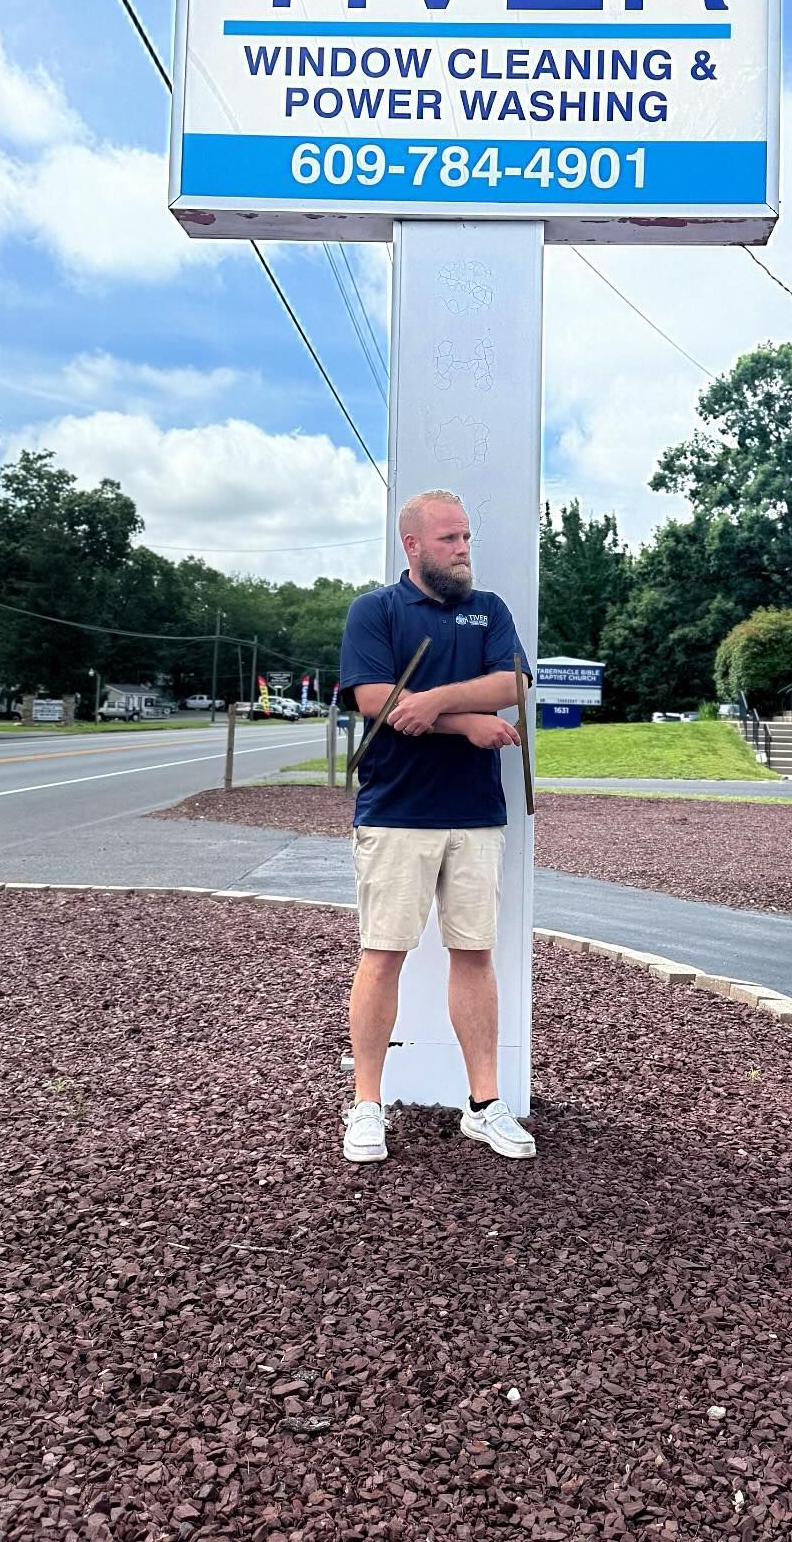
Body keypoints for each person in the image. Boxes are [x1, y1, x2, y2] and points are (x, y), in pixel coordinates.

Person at [337, 488, 536, 1166]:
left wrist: (437, 702)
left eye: (467, 537)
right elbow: (372, 699)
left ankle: (484, 1105)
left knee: (474, 954)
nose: (463, 550)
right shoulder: (377, 611)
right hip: (396, 814)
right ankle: (367, 1104)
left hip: (476, 816)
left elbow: (512, 683)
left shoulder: (490, 611)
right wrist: (467, 722)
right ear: (413, 546)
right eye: (449, 539)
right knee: (383, 954)